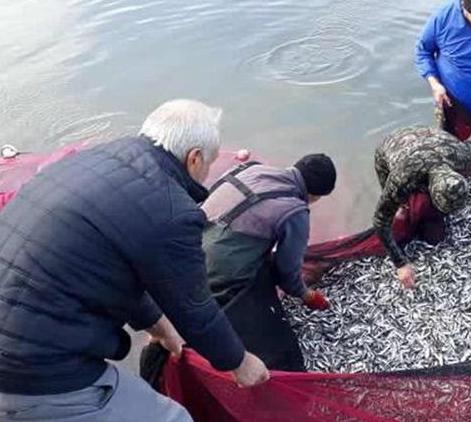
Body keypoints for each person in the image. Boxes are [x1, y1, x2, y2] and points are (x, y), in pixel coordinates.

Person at [0, 99, 268, 422]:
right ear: (194, 157)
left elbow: (111, 265)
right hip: (33, 371)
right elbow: (196, 310)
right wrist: (240, 363)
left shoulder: (93, 160)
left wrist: (159, 325)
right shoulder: (170, 209)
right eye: (208, 163)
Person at [201, 154, 336, 371]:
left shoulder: (251, 168)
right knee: (278, 351)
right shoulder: (295, 209)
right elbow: (287, 273)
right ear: (315, 195)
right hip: (215, 276)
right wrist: (307, 295)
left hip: (184, 251)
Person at [374, 126, 471, 288]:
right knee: (395, 204)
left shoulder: (464, 155)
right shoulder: (402, 178)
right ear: (431, 190)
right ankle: (407, 208)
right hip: (392, 145)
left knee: (434, 231)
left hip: (432, 137)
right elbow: (380, 221)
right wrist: (400, 264)